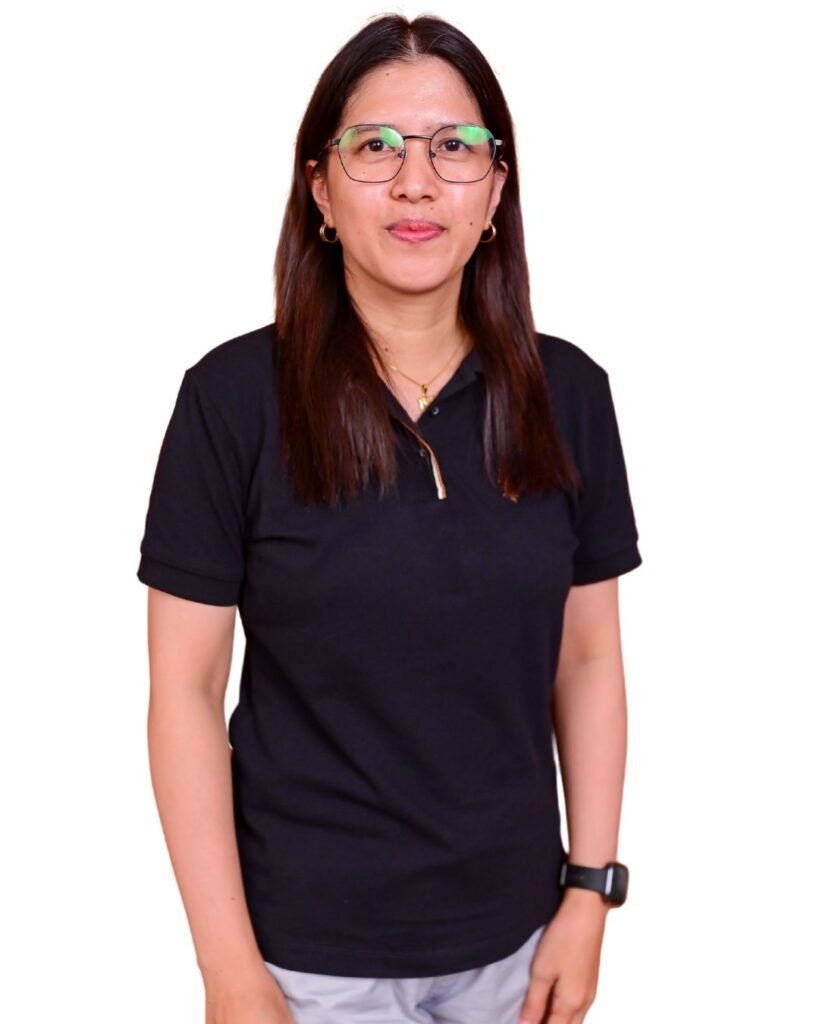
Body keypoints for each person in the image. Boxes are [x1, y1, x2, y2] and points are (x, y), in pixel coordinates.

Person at [136, 13, 643, 1024]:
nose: (417, 182)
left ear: (494, 191)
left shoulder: (569, 394)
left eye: (455, 147)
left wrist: (589, 892)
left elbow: (587, 658)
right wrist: (228, 969)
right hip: (302, 961)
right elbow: (184, 691)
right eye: (375, 147)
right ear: (321, 190)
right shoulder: (231, 401)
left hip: (518, 943)